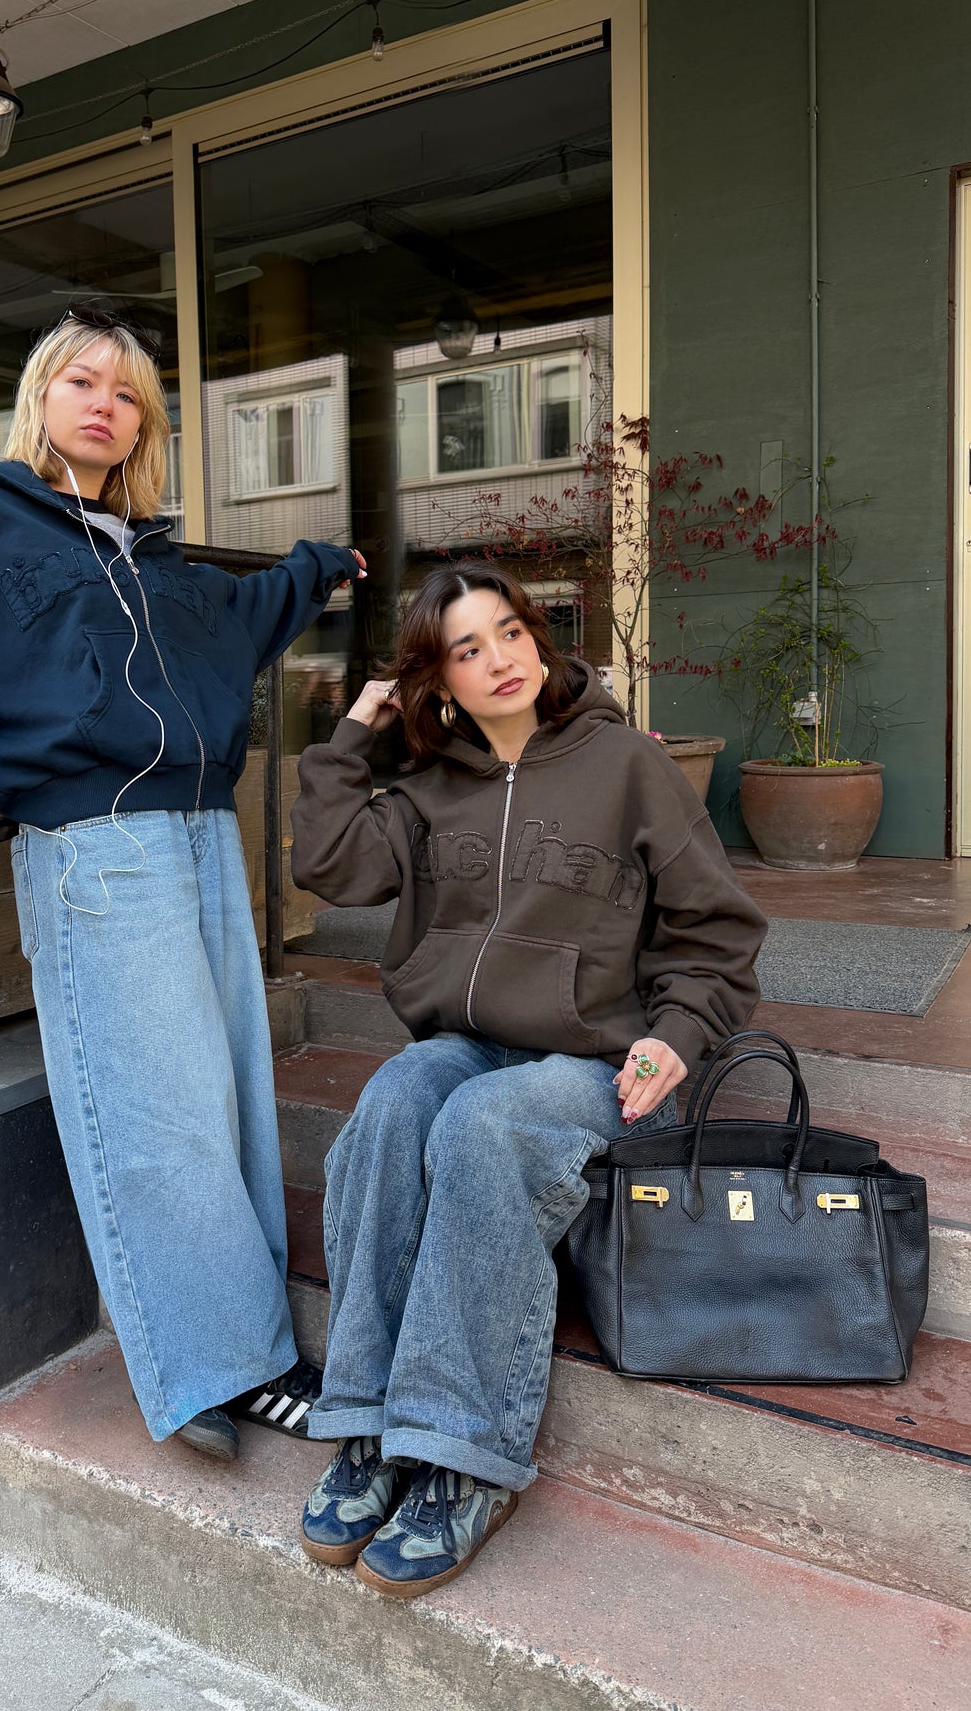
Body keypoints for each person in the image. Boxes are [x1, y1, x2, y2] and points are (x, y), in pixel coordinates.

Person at [0, 305, 365, 1462]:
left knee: (223, 1100)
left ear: (143, 423)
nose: (102, 403)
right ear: (42, 398)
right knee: (153, 1111)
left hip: (204, 840)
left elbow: (242, 618)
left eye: (125, 392)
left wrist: (318, 566)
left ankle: (240, 1341)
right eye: (80, 381)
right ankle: (219, 1364)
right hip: (97, 847)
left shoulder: (150, 555)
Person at [288, 559, 766, 1597]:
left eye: (506, 631)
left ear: (536, 637)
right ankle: (368, 1419)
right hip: (470, 1037)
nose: (497, 659)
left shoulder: (625, 764)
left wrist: (679, 1032)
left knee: (483, 1123)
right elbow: (328, 865)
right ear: (436, 679)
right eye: (465, 648)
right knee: (397, 1099)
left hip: (607, 1060)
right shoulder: (423, 788)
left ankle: (463, 1449)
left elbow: (718, 931)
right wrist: (352, 737)